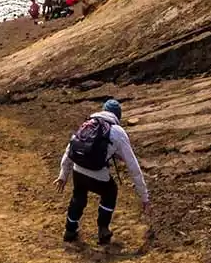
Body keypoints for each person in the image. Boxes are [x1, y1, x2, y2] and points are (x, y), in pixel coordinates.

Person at [56, 98, 149, 247]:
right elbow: (133, 166)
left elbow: (71, 147)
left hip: (78, 168)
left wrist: (63, 174)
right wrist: (144, 196)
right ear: (118, 116)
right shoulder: (117, 132)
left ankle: (70, 230)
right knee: (110, 191)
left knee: (78, 196)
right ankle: (103, 229)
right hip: (97, 172)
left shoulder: (88, 122)